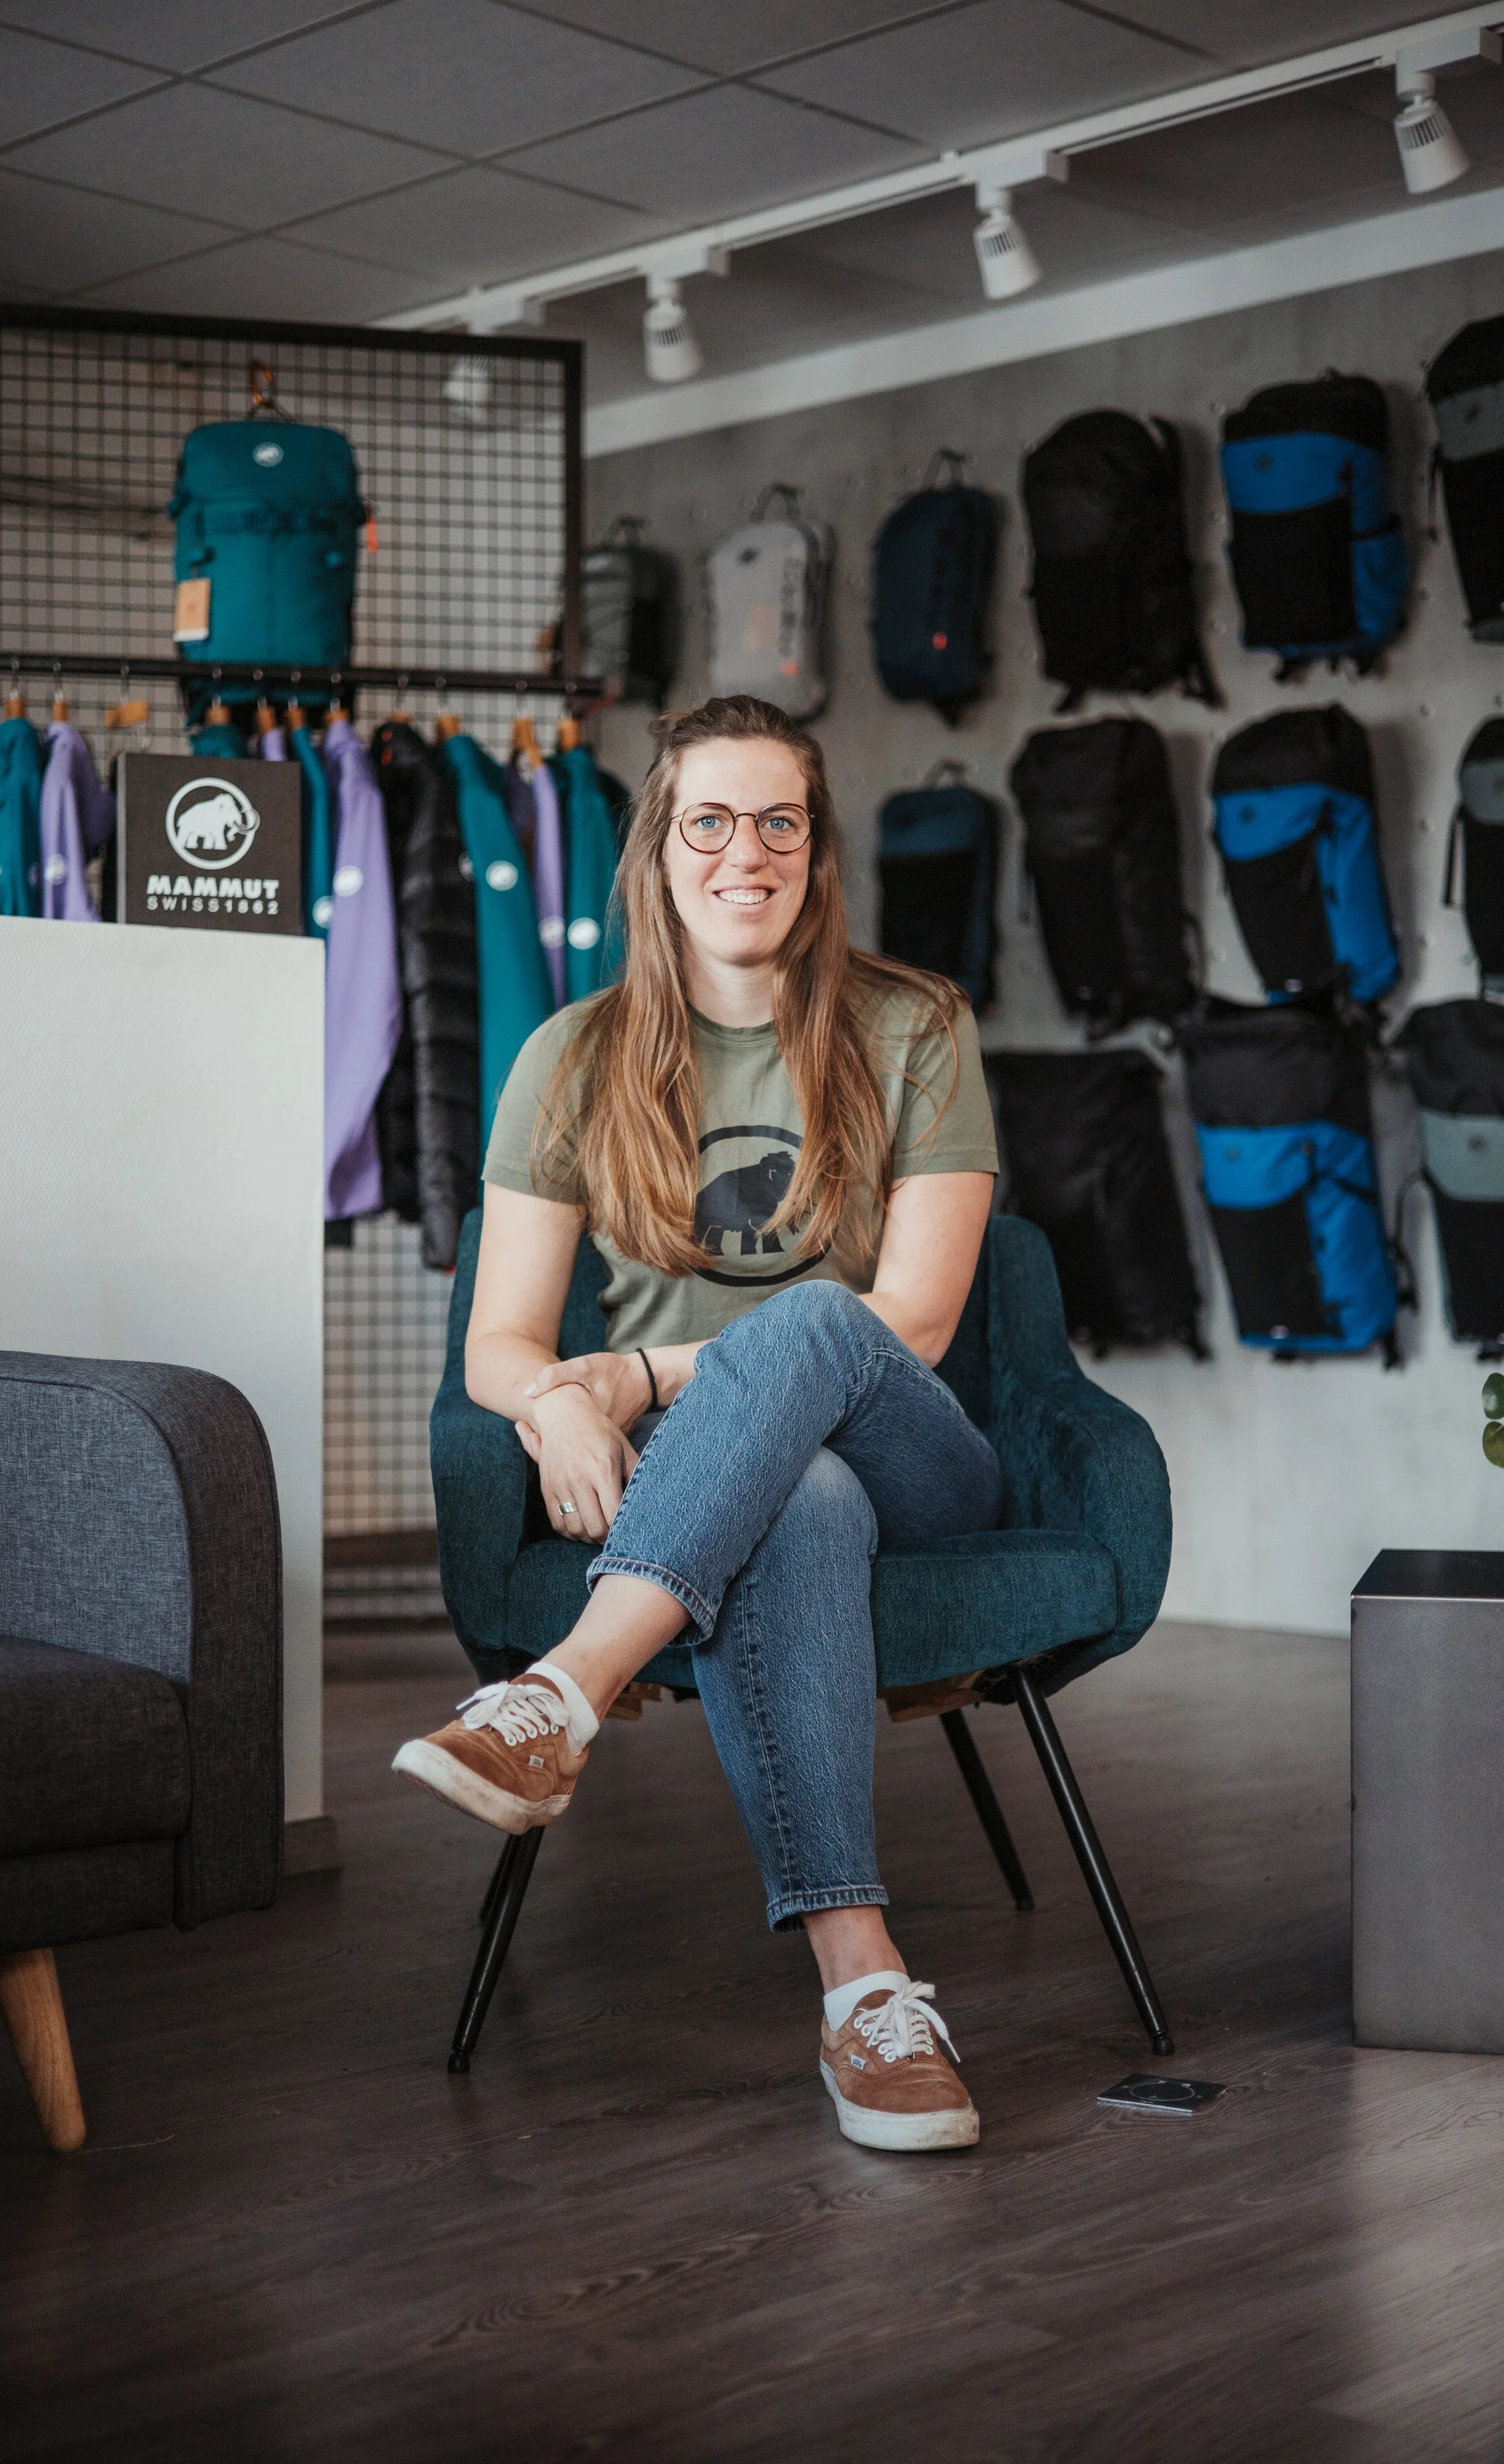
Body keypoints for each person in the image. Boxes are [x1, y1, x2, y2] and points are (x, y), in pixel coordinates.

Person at [394, 694, 1002, 2153]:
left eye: (778, 820)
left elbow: (908, 1323)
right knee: (798, 1505)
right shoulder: (571, 1055)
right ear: (658, 851)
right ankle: (863, 1994)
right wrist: (552, 1397)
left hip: (913, 1457)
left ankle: (560, 1694)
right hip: (741, 1491)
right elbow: (498, 1336)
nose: (747, 853)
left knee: (817, 1323)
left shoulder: (915, 1024)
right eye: (709, 821)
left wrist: (630, 1379)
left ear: (816, 846)